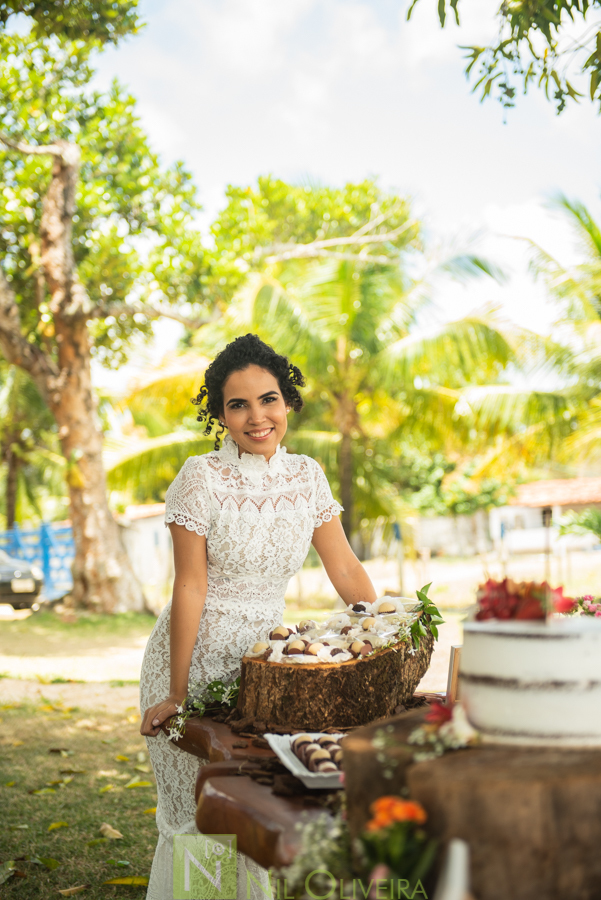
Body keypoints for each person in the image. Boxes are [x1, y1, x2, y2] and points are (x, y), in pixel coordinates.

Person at [139, 333, 377, 900]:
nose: (256, 417)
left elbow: (343, 566)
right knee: (200, 818)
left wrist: (378, 633)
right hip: (191, 661)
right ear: (220, 414)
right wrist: (175, 693)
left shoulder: (308, 476)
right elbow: (190, 586)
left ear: (288, 401)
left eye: (267, 399)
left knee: (255, 816)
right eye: (237, 404)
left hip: (269, 669)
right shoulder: (199, 478)